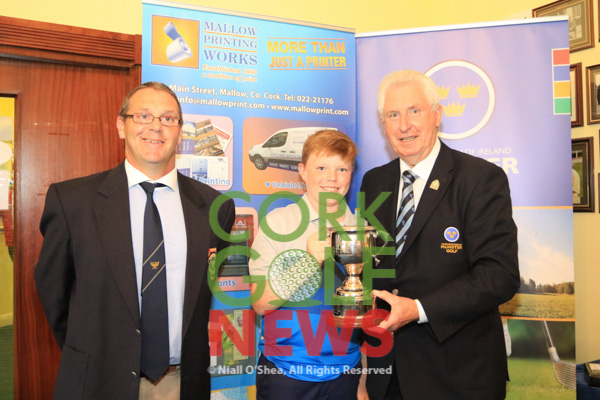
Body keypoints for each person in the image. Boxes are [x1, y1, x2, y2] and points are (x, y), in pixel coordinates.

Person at [34, 82, 235, 400]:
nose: (156, 126)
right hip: (98, 380)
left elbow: (203, 296)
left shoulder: (215, 208)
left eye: (168, 118)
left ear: (180, 132)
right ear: (121, 125)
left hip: (181, 382)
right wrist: (86, 353)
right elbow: (53, 292)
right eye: (143, 116)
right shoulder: (73, 201)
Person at [359, 70, 519, 400]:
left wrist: (417, 309)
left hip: (458, 376)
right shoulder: (373, 182)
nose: (404, 125)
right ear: (383, 124)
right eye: (393, 115)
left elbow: (499, 276)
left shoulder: (480, 179)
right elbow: (371, 267)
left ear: (437, 115)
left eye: (414, 111)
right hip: (387, 374)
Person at [249, 130, 364, 400]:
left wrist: (364, 381)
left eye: (342, 169)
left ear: (351, 173)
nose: (332, 178)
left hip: (347, 373)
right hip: (286, 374)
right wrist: (308, 261)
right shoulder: (278, 223)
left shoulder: (362, 229)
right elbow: (260, 304)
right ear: (302, 171)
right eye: (321, 168)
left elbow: (367, 312)